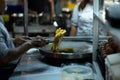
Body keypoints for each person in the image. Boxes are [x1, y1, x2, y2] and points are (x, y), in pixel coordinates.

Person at [0, 0, 47, 80]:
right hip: (5, 74)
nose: (6, 2)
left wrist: (14, 40)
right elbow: (5, 57)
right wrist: (30, 44)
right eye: (4, 0)